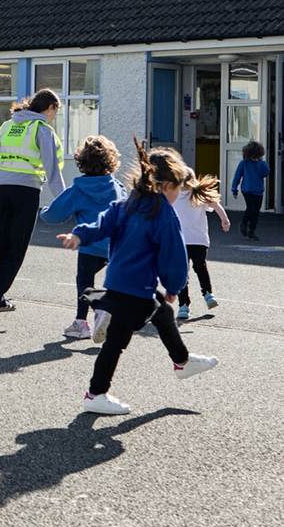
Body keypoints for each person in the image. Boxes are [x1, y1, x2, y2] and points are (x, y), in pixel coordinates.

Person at [57, 138, 218, 416]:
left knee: (162, 314)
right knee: (117, 342)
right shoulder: (163, 213)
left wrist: (79, 235)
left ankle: (181, 360)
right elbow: (174, 256)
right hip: (136, 289)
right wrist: (174, 286)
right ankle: (96, 393)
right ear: (165, 186)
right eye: (177, 188)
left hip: (120, 282)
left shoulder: (125, 204)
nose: (177, 194)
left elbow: (101, 223)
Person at [0, 88, 66, 312]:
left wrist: (5, 174)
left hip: (0, 188)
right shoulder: (42, 129)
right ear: (50, 108)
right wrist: (65, 202)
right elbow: (52, 171)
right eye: (55, 112)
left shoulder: (7, 126)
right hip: (26, 192)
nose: (54, 117)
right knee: (15, 249)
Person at [39, 135, 126, 339]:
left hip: (89, 243)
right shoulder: (117, 186)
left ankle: (94, 312)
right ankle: (87, 319)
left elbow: (55, 214)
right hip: (114, 244)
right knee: (95, 281)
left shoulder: (79, 189)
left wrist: (43, 211)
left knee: (84, 282)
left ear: (82, 161)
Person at [173, 170, 230, 320]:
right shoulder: (200, 194)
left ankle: (183, 306)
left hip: (180, 241)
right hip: (199, 240)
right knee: (200, 267)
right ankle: (208, 294)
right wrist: (225, 220)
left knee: (182, 272)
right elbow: (216, 206)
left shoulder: (174, 195)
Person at [231, 140, 269, 240]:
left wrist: (260, 163)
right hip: (247, 190)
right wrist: (234, 189)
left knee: (256, 212)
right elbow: (237, 176)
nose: (254, 158)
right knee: (251, 208)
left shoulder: (262, 164)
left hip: (258, 190)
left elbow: (265, 173)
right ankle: (244, 223)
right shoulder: (244, 163)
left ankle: (252, 231)